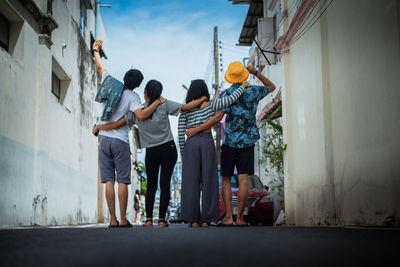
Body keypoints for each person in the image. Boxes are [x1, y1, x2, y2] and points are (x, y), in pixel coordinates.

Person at [93, 80, 207, 227]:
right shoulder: (164, 104)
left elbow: (117, 124)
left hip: (152, 151)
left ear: (146, 92)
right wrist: (203, 99)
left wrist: (99, 127)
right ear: (159, 93)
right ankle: (161, 220)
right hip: (169, 149)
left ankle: (148, 220)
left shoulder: (138, 111)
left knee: (152, 186)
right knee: (165, 184)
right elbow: (186, 107)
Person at [186, 62, 276, 227]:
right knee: (243, 179)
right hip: (248, 141)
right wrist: (255, 72)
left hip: (230, 142)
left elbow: (219, 117)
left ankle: (228, 217)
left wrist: (198, 128)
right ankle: (240, 218)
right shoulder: (254, 91)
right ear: (244, 74)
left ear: (230, 76)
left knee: (226, 179)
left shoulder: (226, 94)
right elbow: (271, 86)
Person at [93, 38, 163, 228]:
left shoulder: (110, 82)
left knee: (108, 181)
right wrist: (156, 102)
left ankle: (113, 220)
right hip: (120, 140)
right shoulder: (133, 97)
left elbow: (100, 67)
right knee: (122, 180)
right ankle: (124, 220)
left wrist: (96, 50)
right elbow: (141, 115)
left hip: (103, 140)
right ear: (138, 84)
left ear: (124, 78)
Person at [178, 79, 250, 227]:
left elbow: (180, 130)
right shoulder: (211, 104)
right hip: (206, 141)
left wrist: (183, 152)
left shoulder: (186, 108)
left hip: (190, 144)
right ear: (204, 91)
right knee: (209, 180)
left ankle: (193, 221)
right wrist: (242, 87)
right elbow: (230, 99)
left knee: (191, 182)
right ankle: (206, 219)